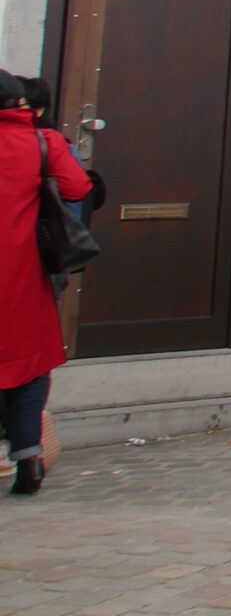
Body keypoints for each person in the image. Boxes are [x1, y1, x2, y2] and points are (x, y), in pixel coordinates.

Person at [2, 70, 89, 494]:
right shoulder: (42, 142)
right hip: (22, 274)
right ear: (20, 104)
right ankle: (28, 458)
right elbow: (78, 187)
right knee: (26, 368)